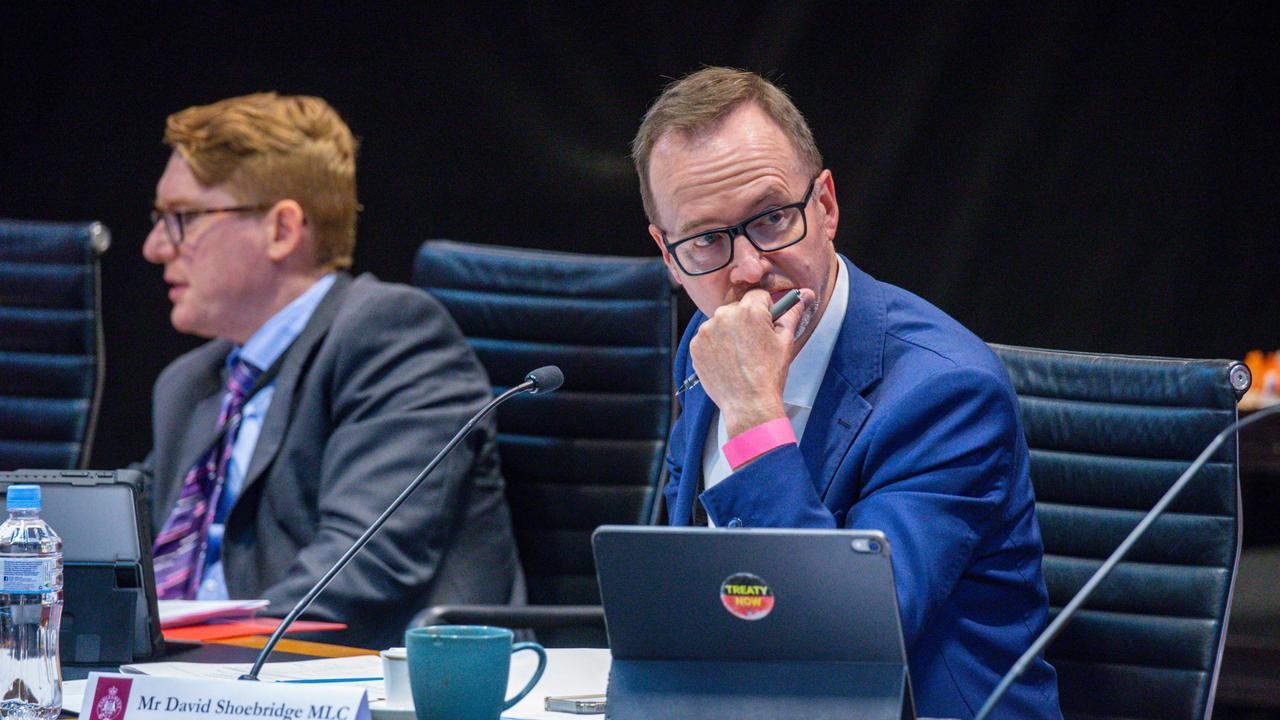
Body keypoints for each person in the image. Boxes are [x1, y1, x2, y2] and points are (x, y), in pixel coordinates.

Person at [633, 67, 1062, 718]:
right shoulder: (707, 342)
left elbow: (843, 646)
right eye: (706, 240)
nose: (748, 271)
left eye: (772, 218)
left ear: (826, 207)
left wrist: (752, 415)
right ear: (667, 255)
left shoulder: (946, 392)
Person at [137, 92, 520, 649]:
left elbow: (358, 573)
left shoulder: (391, 335)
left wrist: (182, 661)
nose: (153, 247)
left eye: (181, 219)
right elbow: (130, 544)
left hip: (370, 680)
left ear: (281, 230)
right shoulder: (190, 384)